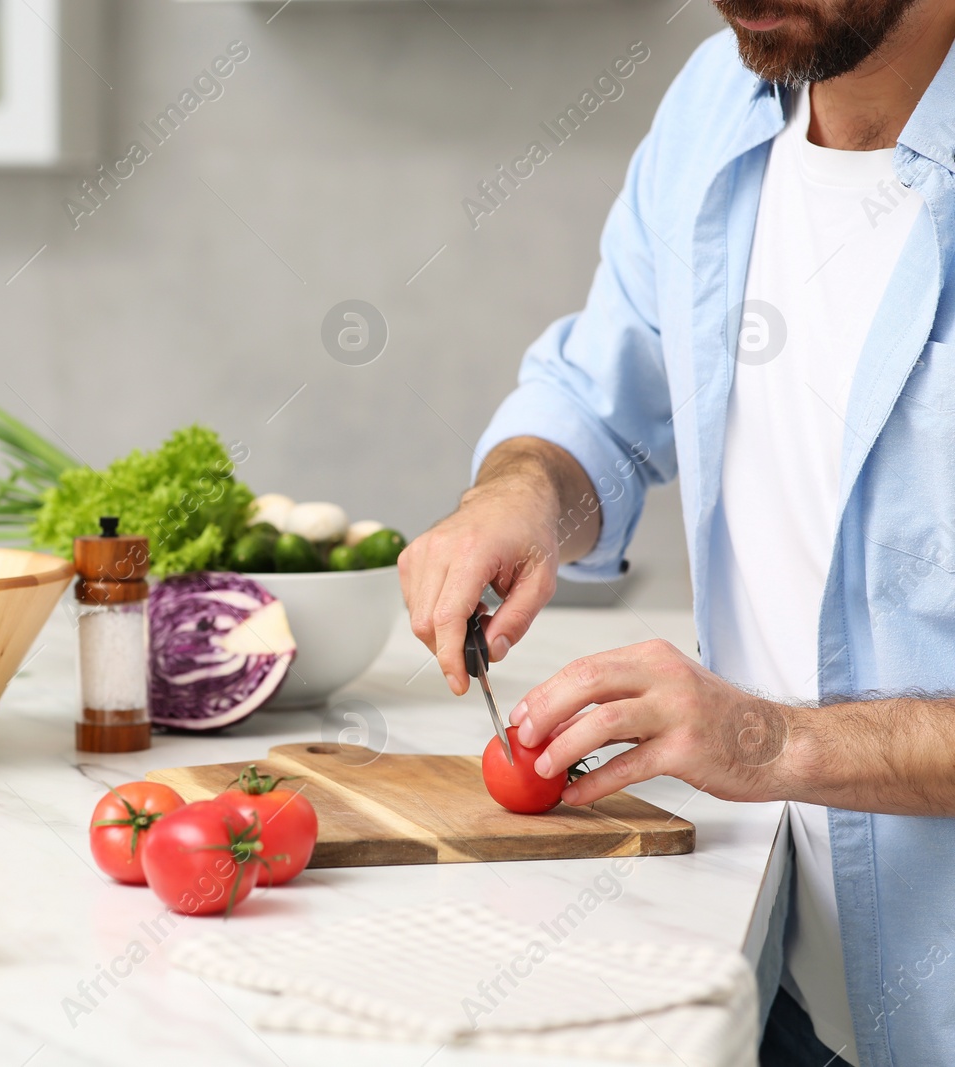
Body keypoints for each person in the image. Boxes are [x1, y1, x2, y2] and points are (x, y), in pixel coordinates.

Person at [399, 1, 955, 1064]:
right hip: (785, 983)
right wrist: (519, 494)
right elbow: (606, 399)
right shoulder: (717, 103)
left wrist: (775, 740)